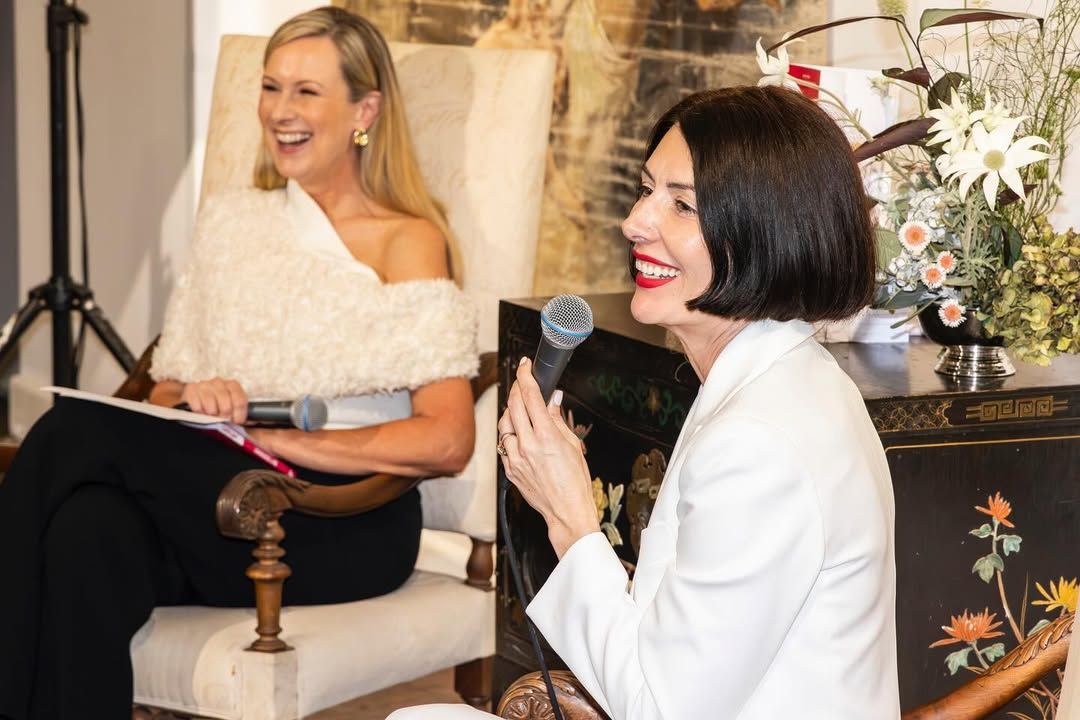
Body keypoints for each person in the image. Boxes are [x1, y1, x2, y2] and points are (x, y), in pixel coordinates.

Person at [0, 7, 477, 719]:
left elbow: (447, 439)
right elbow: (163, 395)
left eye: (307, 91)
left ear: (365, 111)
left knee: (73, 430)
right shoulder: (231, 221)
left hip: (340, 520)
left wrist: (285, 443)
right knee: (87, 534)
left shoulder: (406, 239)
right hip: (221, 497)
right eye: (271, 87)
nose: (280, 111)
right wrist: (199, 394)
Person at [390, 85, 899, 719]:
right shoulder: (784, 376)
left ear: (765, 234)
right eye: (645, 189)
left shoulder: (760, 443)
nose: (635, 222)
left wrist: (570, 517)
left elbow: (659, 709)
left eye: (682, 205)